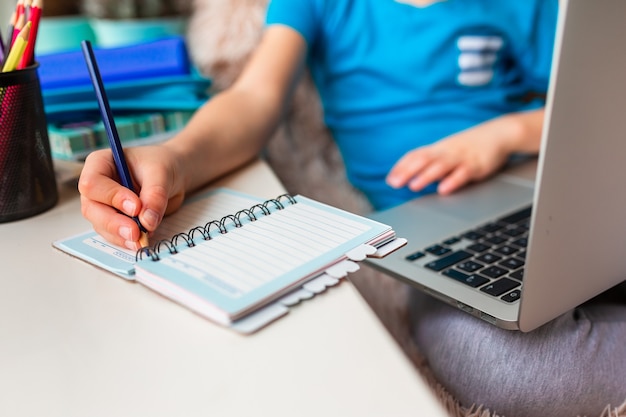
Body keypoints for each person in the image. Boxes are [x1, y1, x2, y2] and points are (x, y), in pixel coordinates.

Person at [78, 1, 626, 416]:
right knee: (510, 370)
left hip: (545, 188)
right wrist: (176, 155)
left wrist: (507, 132)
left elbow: (590, 96)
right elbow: (254, 99)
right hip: (430, 229)